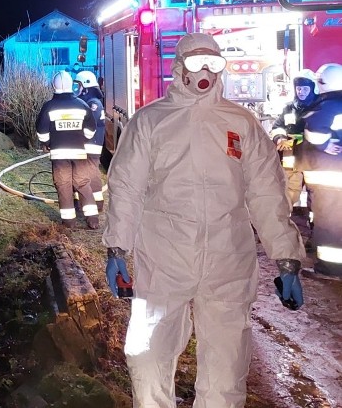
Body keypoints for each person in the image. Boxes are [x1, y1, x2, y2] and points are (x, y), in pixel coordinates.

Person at [102, 32, 305, 408]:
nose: (205, 72)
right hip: (165, 257)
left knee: (226, 369)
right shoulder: (151, 122)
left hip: (228, 259)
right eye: (196, 63)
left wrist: (287, 256)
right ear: (179, 68)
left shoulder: (241, 123)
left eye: (213, 63)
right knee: (147, 353)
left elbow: (266, 193)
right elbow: (126, 187)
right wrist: (117, 246)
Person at [36, 70, 99, 229]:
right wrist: (81, 139)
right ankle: (93, 220)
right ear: (71, 85)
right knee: (83, 183)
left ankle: (69, 222)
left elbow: (41, 133)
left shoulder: (48, 107)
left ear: (53, 86)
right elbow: (91, 130)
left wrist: (48, 143)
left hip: (59, 154)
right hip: (79, 153)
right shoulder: (82, 105)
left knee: (63, 185)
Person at [301, 62, 342, 279]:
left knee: (330, 225)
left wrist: (324, 145)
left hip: (331, 178)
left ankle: (330, 268)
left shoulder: (328, 106)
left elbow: (314, 131)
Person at [269, 69, 317, 207]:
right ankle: (287, 217)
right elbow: (278, 126)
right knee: (290, 190)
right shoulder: (289, 108)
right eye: (299, 88)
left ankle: (314, 221)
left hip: (312, 156)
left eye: (305, 89)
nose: (301, 92)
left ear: (313, 89)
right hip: (291, 155)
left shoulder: (319, 107)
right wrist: (279, 138)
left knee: (314, 191)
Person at [74, 70, 106, 211]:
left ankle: (97, 202)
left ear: (86, 87)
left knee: (91, 171)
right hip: (87, 144)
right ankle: (80, 200)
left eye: (79, 85)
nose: (77, 89)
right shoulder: (89, 102)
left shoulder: (94, 104)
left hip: (91, 144)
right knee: (79, 171)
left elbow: (88, 124)